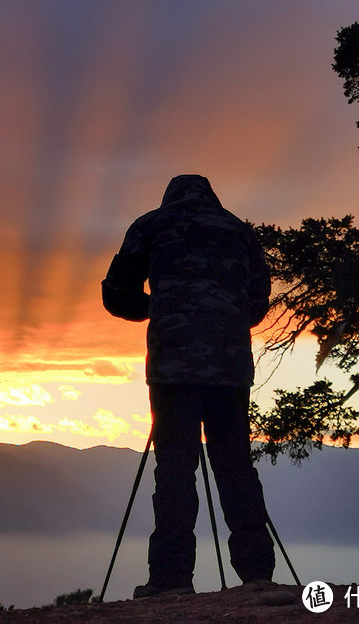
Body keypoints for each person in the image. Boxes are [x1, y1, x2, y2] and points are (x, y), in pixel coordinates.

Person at [102, 174, 274, 598]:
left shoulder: (152, 225)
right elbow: (258, 300)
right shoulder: (239, 231)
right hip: (229, 370)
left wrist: (159, 308)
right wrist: (225, 321)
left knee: (175, 472)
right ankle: (257, 574)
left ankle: (171, 580)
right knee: (235, 466)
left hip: (173, 369)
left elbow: (116, 292)